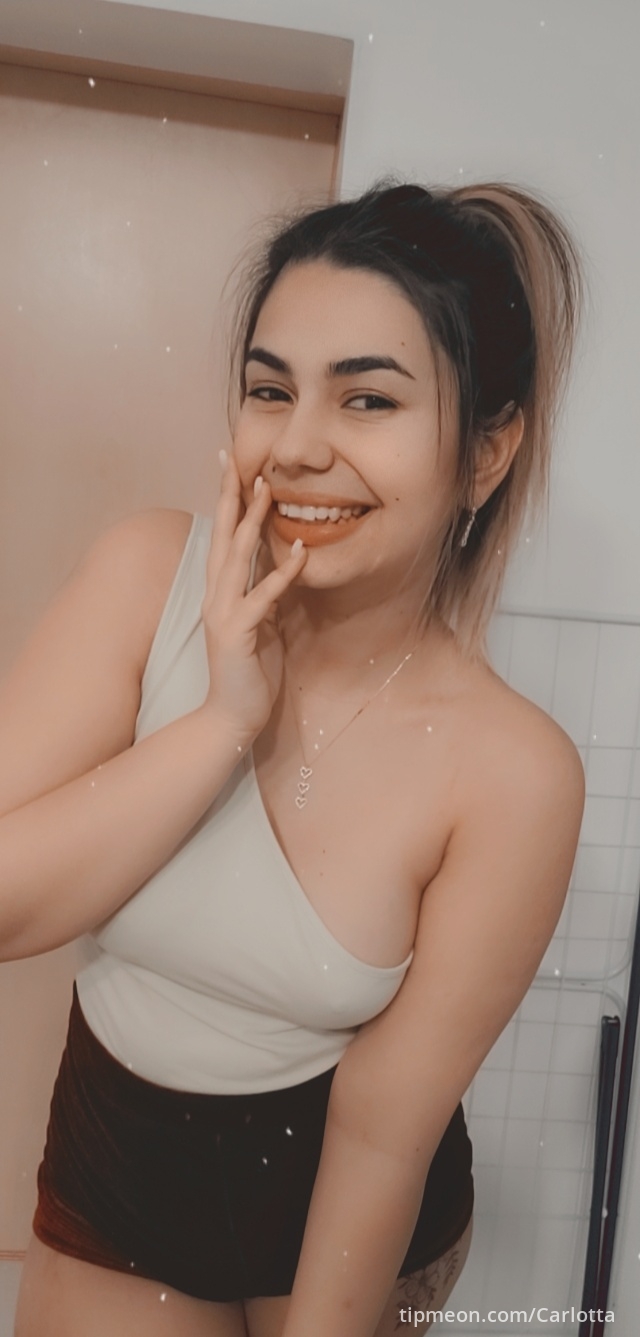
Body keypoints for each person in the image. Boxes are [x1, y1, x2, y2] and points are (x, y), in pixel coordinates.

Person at [4, 180, 585, 1337]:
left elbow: (381, 1133)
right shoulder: (143, 578)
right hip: (116, 1180)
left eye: (368, 398)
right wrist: (219, 721)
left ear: (485, 452)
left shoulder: (514, 770)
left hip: (351, 1217)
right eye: (270, 389)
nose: (299, 446)